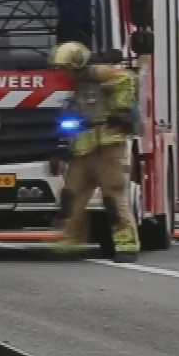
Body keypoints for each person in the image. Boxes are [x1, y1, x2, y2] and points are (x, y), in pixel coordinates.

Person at [52, 41, 140, 261]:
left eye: (65, 67)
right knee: (72, 194)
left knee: (112, 194)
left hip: (107, 143)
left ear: (75, 64)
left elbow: (126, 78)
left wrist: (119, 111)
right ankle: (71, 238)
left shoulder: (96, 72)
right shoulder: (81, 81)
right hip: (86, 143)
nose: (64, 72)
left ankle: (126, 244)